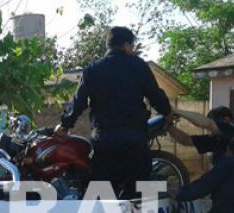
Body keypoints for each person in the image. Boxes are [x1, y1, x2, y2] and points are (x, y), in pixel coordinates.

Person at [54, 26, 173, 199]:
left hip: (106, 142)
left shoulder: (93, 70)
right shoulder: (139, 66)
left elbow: (78, 101)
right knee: (140, 197)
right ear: (126, 45)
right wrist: (167, 112)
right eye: (132, 46)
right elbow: (155, 95)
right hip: (135, 141)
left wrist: (65, 125)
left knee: (104, 197)